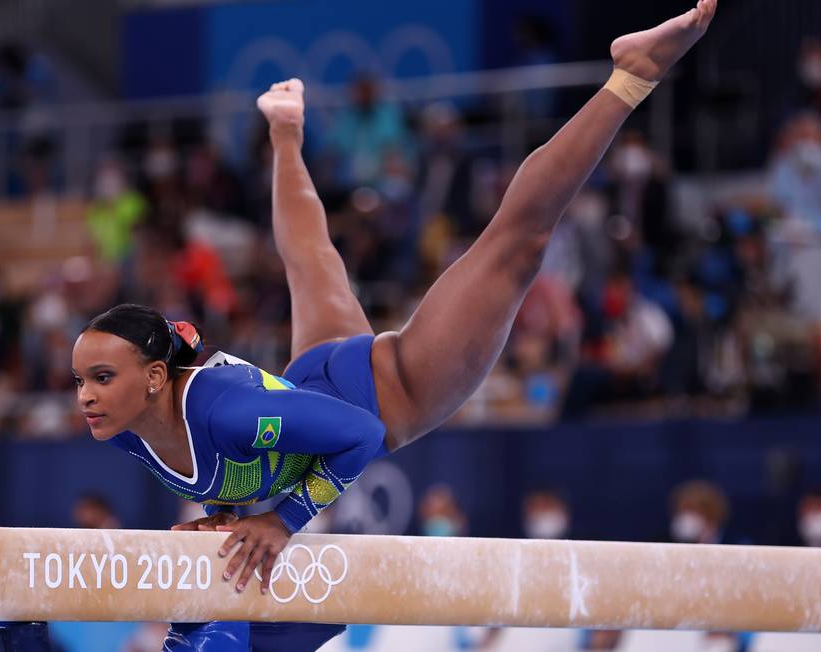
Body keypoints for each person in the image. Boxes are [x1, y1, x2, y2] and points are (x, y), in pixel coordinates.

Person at [70, 3, 718, 649]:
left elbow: (361, 433)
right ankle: (287, 132)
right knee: (310, 260)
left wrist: (283, 523)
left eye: (101, 377)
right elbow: (235, 468)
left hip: (391, 390)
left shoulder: (224, 415)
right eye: (81, 380)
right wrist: (220, 517)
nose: (85, 397)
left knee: (514, 246)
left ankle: (629, 78)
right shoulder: (129, 433)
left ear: (155, 377)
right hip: (316, 377)